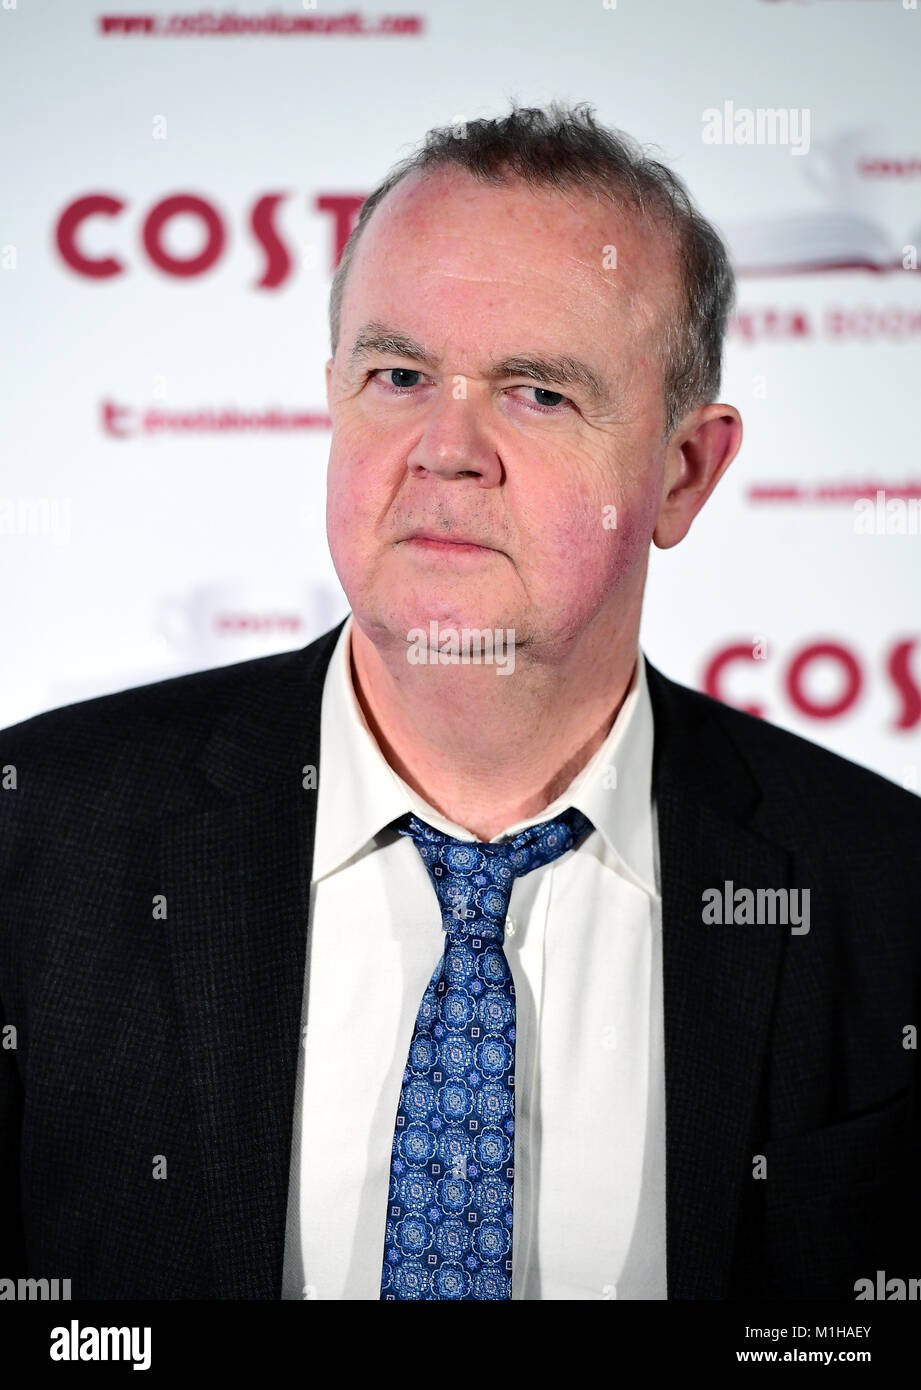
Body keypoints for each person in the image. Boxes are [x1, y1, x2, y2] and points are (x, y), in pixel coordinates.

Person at [0, 102, 918, 1302]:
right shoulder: (35, 843)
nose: (446, 447)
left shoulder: (886, 891)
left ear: (683, 472)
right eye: (397, 374)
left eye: (538, 392)